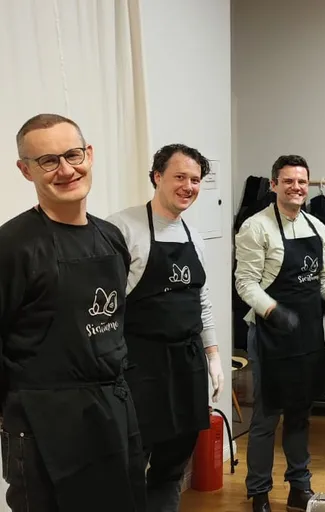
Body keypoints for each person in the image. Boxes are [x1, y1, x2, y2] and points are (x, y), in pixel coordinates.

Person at [0, 114, 145, 510]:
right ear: (25, 170)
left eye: (73, 154)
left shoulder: (110, 237)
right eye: (48, 161)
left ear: (89, 155)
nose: (65, 170)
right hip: (44, 424)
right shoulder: (13, 247)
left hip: (112, 413)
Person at [106, 144, 224, 512]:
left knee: (172, 467)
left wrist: (214, 354)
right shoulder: (122, 229)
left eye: (195, 179)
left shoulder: (196, 237)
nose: (188, 186)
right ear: (157, 176)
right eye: (179, 177)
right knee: (128, 465)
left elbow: (201, 302)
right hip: (140, 368)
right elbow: (106, 308)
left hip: (187, 368)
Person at [235, 155, 325, 512]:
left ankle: (300, 487)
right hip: (270, 335)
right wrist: (273, 310)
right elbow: (245, 283)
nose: (296, 187)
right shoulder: (256, 227)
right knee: (267, 418)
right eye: (288, 181)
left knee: (300, 414)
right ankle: (259, 493)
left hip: (306, 336)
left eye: (301, 181)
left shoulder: (318, 227)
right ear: (274, 185)